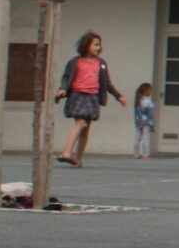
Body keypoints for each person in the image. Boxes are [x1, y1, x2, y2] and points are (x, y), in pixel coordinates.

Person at [53, 31, 124, 167]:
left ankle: (78, 159)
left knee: (86, 128)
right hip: (77, 95)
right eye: (95, 45)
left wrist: (118, 96)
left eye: (99, 45)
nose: (98, 47)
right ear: (86, 45)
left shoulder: (101, 63)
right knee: (80, 123)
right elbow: (66, 77)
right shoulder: (74, 62)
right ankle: (66, 152)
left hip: (93, 97)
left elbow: (107, 82)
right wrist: (62, 89)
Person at [131, 83, 156, 158]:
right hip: (146, 122)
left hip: (138, 122)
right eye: (150, 90)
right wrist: (152, 125)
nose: (151, 92)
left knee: (137, 138)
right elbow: (151, 115)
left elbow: (136, 113)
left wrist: (137, 121)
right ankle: (145, 154)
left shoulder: (137, 101)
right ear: (146, 91)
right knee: (146, 138)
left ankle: (136, 154)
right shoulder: (149, 102)